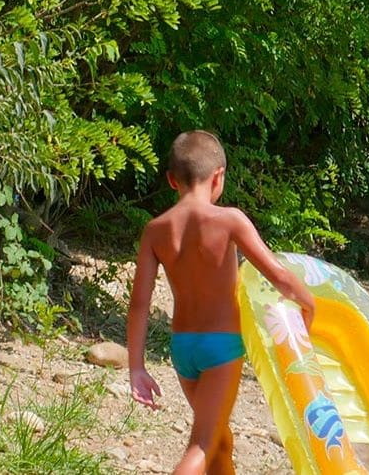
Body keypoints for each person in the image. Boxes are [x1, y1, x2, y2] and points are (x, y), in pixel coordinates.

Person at [126, 130, 317, 474]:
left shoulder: (155, 230)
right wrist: (310, 304)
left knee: (218, 440)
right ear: (219, 177)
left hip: (183, 349)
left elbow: (139, 303)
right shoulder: (228, 219)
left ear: (172, 180)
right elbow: (277, 274)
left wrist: (136, 367)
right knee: (201, 444)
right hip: (221, 348)